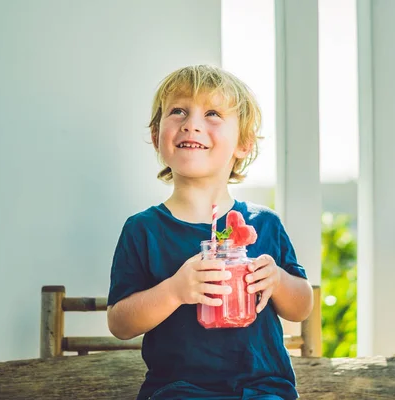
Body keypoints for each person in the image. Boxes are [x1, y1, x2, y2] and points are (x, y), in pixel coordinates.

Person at [106, 65, 314, 400]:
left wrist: (277, 280)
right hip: (179, 390)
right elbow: (120, 323)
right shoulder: (142, 230)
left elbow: (301, 307)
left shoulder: (265, 223)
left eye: (213, 113)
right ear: (158, 134)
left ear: (243, 143)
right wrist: (174, 290)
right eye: (178, 111)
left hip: (262, 388)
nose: (192, 124)